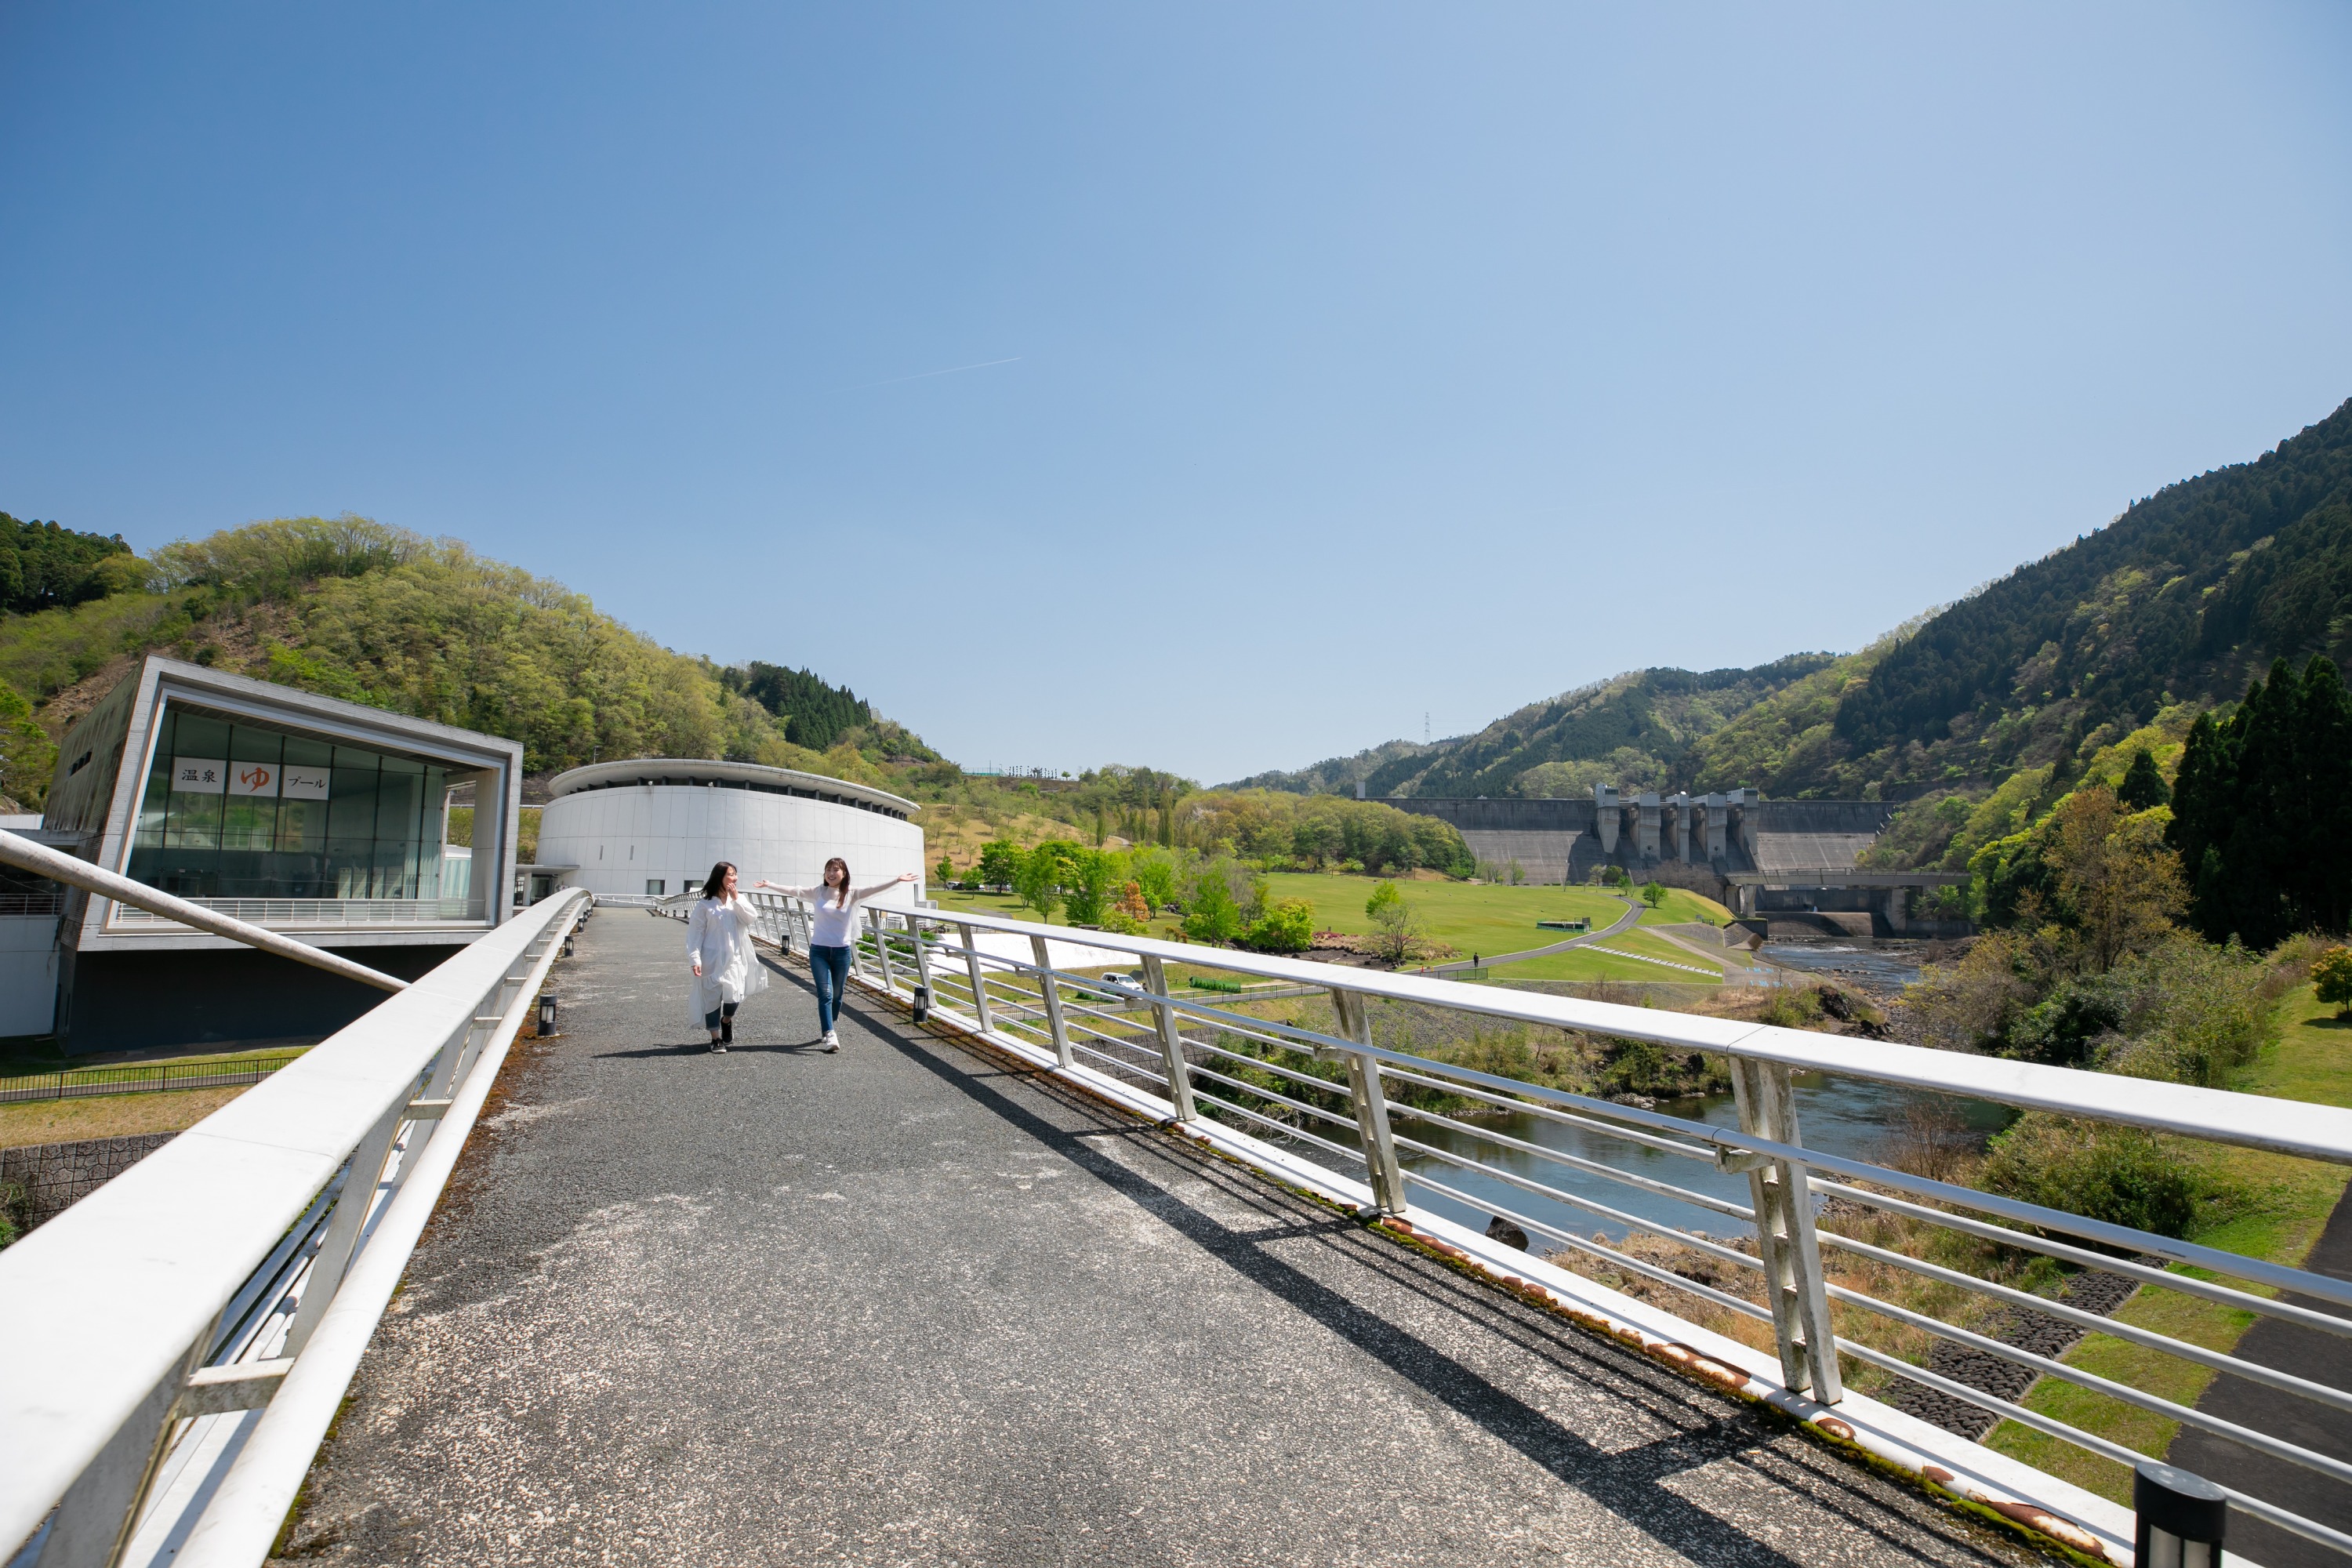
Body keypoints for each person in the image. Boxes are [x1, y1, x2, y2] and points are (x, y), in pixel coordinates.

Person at [757, 859, 915, 1051]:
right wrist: (770, 885)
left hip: (842, 952)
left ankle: (829, 1022)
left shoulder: (852, 894)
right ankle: (829, 1034)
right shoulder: (818, 892)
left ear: (844, 873)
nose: (831, 873)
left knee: (838, 995)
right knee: (826, 993)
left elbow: (874, 888)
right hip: (819, 951)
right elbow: (794, 890)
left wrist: (896, 880)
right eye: (828, 870)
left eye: (836, 870)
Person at [687, 861, 768, 1052]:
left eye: (735, 874)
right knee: (712, 999)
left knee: (734, 998)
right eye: (731, 874)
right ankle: (715, 1039)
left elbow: (750, 918)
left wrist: (736, 899)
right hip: (711, 959)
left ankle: (727, 1020)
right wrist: (695, 959)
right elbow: (695, 934)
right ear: (720, 877)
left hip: (735, 959)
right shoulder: (705, 905)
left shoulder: (738, 900)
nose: (735, 878)